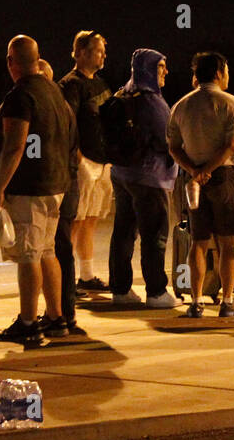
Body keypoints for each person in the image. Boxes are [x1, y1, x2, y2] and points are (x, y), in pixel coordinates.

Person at [0, 35, 78, 345]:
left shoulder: (21, 96)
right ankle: (55, 318)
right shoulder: (53, 92)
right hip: (56, 185)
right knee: (47, 252)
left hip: (30, 188)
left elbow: (15, 146)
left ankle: (28, 322)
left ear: (12, 62)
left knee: (27, 255)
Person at [167, 51, 234, 318]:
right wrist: (210, 170)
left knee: (198, 242)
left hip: (192, 181)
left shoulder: (181, 105)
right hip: (222, 177)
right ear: (218, 72)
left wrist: (195, 170)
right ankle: (227, 300)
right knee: (228, 243)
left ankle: (196, 301)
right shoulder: (230, 103)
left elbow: (173, 147)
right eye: (226, 71)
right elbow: (232, 145)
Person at [107, 48, 178, 308]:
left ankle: (120, 288)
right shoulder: (151, 101)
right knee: (155, 235)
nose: (165, 72)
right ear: (148, 69)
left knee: (124, 232)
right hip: (151, 177)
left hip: (122, 173)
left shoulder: (124, 93)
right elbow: (167, 138)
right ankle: (157, 291)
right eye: (161, 67)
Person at [57, 31, 113, 292]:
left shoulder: (101, 84)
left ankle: (87, 276)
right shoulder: (70, 84)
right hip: (83, 163)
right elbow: (67, 124)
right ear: (80, 52)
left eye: (103, 50)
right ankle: (64, 280)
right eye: (97, 50)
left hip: (102, 163)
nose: (103, 55)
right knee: (74, 222)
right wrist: (79, 160)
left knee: (90, 219)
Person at [40, 58, 85, 336]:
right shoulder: (64, 107)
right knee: (61, 249)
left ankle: (60, 313)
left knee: (54, 251)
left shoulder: (48, 108)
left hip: (57, 186)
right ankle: (61, 312)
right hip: (68, 183)